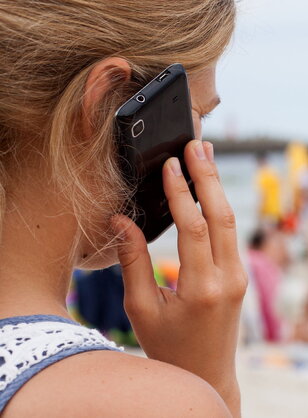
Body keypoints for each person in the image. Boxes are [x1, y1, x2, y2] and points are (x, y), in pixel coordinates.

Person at [0, 2, 244, 416]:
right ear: (101, 106)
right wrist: (211, 384)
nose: (198, 149)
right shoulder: (145, 403)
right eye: (196, 115)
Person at [248, 228, 289, 342]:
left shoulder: (250, 260)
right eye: (277, 245)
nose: (283, 250)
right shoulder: (263, 265)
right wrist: (278, 336)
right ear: (266, 245)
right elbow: (271, 306)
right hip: (267, 335)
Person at [254, 152, 283, 227]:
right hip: (278, 209)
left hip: (267, 211)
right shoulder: (275, 172)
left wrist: (259, 211)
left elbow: (262, 195)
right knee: (275, 234)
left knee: (267, 235)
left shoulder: (261, 174)